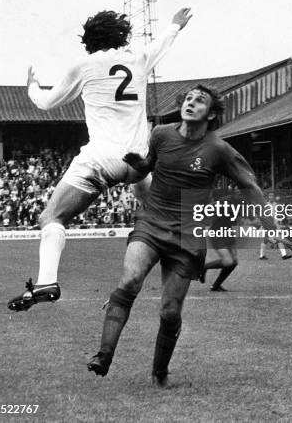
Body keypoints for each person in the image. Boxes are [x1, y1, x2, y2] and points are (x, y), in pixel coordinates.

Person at [87, 84, 277, 387]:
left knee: (170, 309)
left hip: (188, 234)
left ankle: (160, 371)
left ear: (211, 113)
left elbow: (250, 186)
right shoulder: (161, 133)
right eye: (188, 98)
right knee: (130, 280)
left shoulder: (219, 149)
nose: (190, 103)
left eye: (199, 101)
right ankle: (103, 355)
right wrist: (138, 163)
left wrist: (272, 228)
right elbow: (149, 164)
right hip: (152, 220)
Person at [7, 7, 192, 312]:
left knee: (51, 218)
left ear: (88, 40)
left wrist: (32, 84)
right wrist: (175, 25)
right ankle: (178, 248)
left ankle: (46, 282)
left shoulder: (84, 66)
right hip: (137, 162)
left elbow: (45, 103)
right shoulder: (139, 59)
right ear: (121, 35)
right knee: (150, 200)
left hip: (102, 158)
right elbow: (163, 43)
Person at [259, 192, 292, 261]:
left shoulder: (276, 205)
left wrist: (280, 223)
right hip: (268, 225)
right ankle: (283, 255)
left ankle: (262, 255)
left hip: (274, 224)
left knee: (267, 240)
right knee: (271, 239)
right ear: (268, 197)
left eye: (272, 195)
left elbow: (278, 215)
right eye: (270, 195)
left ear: (274, 197)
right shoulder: (266, 205)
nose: (271, 197)